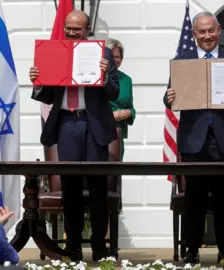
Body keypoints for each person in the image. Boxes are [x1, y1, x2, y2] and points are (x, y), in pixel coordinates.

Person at [163, 11, 224, 264]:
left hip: (223, 141)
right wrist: (169, 98)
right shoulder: (182, 61)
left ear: (219, 30)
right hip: (194, 140)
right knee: (195, 200)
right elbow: (169, 97)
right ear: (194, 34)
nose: (206, 36)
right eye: (201, 32)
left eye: (210, 31)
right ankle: (192, 251)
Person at [29, 10, 119, 262]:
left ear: (87, 29)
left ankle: (100, 248)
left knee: (98, 189)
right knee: (71, 189)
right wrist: (37, 84)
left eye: (76, 29)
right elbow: (48, 95)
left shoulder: (103, 54)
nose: (71, 32)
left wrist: (103, 77)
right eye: (68, 28)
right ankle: (74, 247)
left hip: (94, 126)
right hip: (67, 124)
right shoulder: (54, 51)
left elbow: (114, 93)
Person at [105, 38, 136, 244]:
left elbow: (131, 108)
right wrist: (111, 114)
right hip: (98, 133)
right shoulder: (95, 77)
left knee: (113, 183)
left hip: (117, 137)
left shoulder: (126, 80)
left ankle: (109, 236)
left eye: (117, 57)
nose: (115, 60)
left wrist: (126, 113)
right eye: (111, 57)